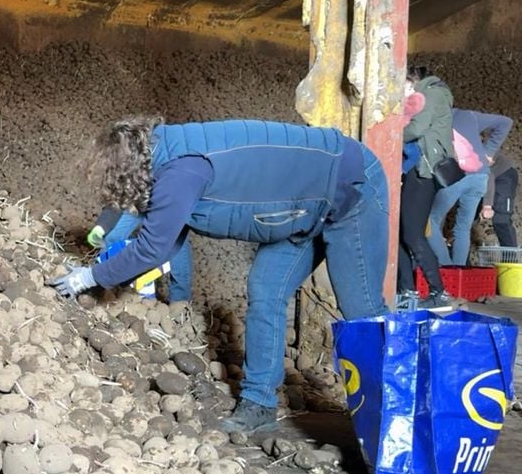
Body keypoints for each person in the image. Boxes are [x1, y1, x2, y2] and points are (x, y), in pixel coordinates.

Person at [48, 117, 388, 434]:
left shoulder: (181, 172)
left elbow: (151, 249)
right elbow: (165, 246)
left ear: (127, 171)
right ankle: (259, 404)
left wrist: (90, 277)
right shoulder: (166, 158)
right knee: (266, 290)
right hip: (301, 209)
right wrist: (105, 275)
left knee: (362, 310)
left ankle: (395, 411)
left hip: (348, 188)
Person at [396, 67, 455, 309]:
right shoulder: (431, 94)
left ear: (414, 81)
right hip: (417, 171)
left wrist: (390, 134)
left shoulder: (431, 94)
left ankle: (438, 292)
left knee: (412, 234)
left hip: (425, 171)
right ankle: (407, 290)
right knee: (400, 233)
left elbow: (417, 129)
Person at [427, 109, 512, 265]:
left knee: (430, 221)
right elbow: (506, 122)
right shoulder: (467, 115)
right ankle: (458, 274)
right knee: (463, 228)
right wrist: (488, 152)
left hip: (455, 175)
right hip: (480, 176)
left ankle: (446, 268)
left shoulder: (430, 118)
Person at [90, 208, 193, 301]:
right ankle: (98, 279)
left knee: (177, 239)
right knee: (115, 233)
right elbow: (119, 199)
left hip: (175, 204)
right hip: (146, 195)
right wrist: (102, 225)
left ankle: (180, 303)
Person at [485, 153, 519, 247]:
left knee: (501, 219)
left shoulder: (469, 153)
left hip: (504, 174)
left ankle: (511, 260)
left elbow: (489, 175)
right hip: (489, 178)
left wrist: (487, 206)